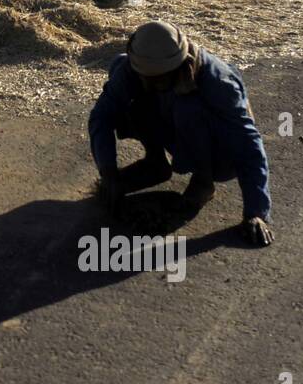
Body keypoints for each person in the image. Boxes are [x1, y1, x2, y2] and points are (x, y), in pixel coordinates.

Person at [88, 20, 274, 246]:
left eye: (158, 79)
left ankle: (203, 182)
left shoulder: (218, 81)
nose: (150, 82)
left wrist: (256, 211)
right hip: (174, 125)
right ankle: (155, 163)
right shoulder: (135, 70)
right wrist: (108, 173)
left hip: (220, 153)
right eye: (146, 77)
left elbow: (248, 142)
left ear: (180, 66)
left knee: (188, 108)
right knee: (120, 73)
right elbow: (102, 116)